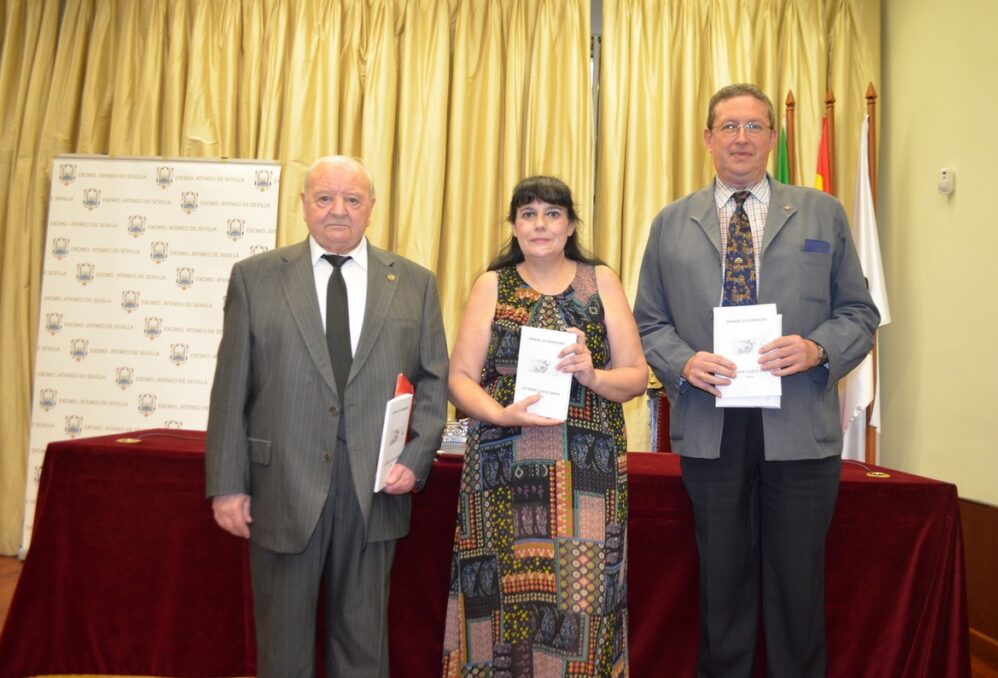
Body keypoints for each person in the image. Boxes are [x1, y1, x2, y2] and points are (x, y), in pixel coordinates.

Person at [633, 83, 880, 678]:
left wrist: (818, 348)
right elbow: (649, 322)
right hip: (710, 422)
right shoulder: (671, 223)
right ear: (707, 138)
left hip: (799, 424)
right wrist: (683, 362)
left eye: (753, 126)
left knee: (798, 587)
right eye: (728, 126)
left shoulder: (822, 212)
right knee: (722, 586)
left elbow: (859, 313)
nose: (740, 138)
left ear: (773, 137)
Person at [205, 155, 448, 677]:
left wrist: (414, 460)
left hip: (375, 489)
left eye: (352, 199)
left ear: (371, 207)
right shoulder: (254, 278)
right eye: (324, 198)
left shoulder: (415, 283)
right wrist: (226, 484)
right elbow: (230, 388)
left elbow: (434, 382)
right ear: (303, 204)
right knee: (283, 646)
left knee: (363, 646)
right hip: (281, 485)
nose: (339, 210)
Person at [441, 176, 648, 677]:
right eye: (528, 214)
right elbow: (460, 379)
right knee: (502, 597)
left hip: (586, 474)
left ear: (571, 225)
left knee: (583, 598)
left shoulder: (601, 281)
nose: (540, 224)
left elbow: (637, 377)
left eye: (552, 214)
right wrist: (499, 414)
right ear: (514, 226)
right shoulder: (492, 285)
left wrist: (592, 374)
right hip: (501, 466)